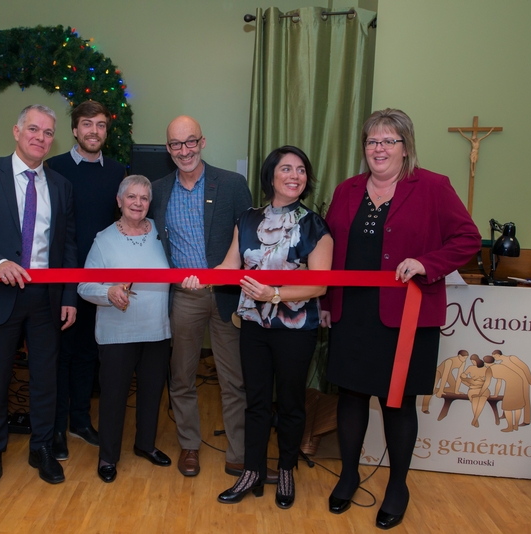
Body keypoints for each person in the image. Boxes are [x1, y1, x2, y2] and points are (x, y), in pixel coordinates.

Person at [321, 108, 480, 530]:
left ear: (405, 147)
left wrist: (428, 264)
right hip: (351, 312)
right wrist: (323, 298)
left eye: (389, 141)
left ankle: (397, 486)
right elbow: (332, 249)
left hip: (407, 317)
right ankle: (350, 474)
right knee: (350, 397)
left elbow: (467, 238)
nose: (379, 148)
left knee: (398, 403)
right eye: (372, 140)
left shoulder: (432, 187)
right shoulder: (347, 189)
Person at [182, 146, 332, 509]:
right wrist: (197, 278)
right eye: (286, 169)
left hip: (296, 328)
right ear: (271, 176)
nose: (294, 176)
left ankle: (285, 471)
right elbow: (229, 266)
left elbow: (320, 284)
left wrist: (274, 293)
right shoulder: (248, 219)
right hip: (253, 323)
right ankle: (251, 471)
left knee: (292, 404)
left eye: (300, 170)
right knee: (256, 402)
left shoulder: (315, 226)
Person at [0, 104, 77, 502]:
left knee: (45, 379)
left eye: (47, 132)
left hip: (45, 298)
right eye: (33, 130)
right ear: (17, 131)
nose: (40, 137)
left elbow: (68, 244)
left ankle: (41, 448)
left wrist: (70, 295)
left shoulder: (60, 185)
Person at [149, 115, 255, 480]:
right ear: (168, 149)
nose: (184, 150)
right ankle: (190, 446)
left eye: (190, 141)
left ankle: (239, 453)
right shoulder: (158, 189)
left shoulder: (232, 183)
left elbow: (250, 236)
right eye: (176, 144)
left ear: (203, 142)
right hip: (184, 299)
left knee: (233, 379)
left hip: (227, 295)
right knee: (181, 376)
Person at [77, 175, 172, 483]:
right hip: (117, 333)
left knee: (151, 393)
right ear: (119, 201)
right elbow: (84, 286)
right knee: (114, 396)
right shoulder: (103, 240)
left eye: (144, 198)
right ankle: (108, 456)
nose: (137, 203)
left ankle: (145, 445)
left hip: (156, 329)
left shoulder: (162, 233)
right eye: (131, 197)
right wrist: (108, 293)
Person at [45, 100, 125, 460]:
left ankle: (80, 420)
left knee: (88, 356)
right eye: (87, 124)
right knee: (61, 356)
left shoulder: (119, 173)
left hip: (99, 282)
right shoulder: (54, 169)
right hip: (63, 279)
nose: (95, 131)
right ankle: (56, 427)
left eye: (101, 125)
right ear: (75, 130)